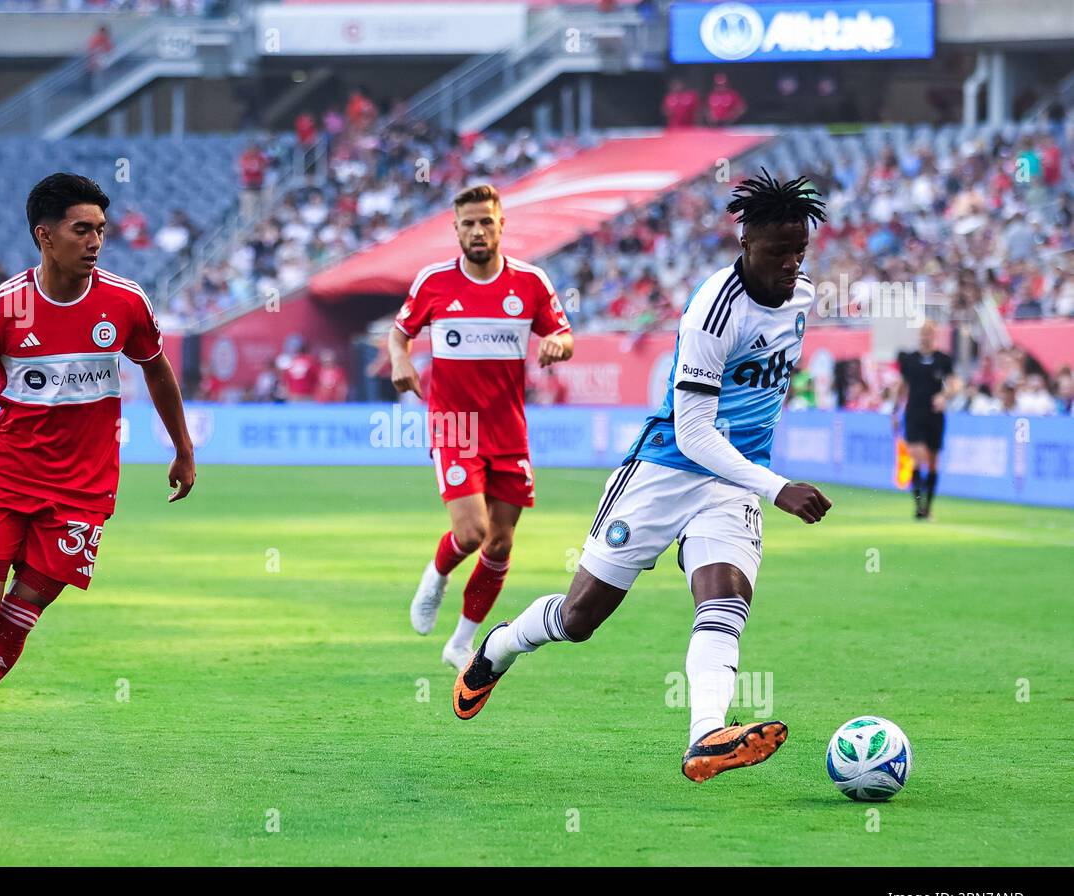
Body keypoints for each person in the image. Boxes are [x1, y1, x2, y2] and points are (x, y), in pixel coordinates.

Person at [452, 171, 833, 787]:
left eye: (799, 251)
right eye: (777, 252)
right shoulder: (713, 311)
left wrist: (757, 478)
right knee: (579, 620)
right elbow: (693, 434)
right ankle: (498, 648)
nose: (791, 264)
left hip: (733, 484)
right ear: (745, 245)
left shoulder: (803, 293)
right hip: (665, 469)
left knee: (725, 596)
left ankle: (705, 735)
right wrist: (777, 485)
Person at [0, 173, 196, 756]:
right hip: (7, 477)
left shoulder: (125, 302)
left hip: (84, 492)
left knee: (19, 618)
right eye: (81, 229)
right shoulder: (2, 309)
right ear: (45, 235)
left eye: (101, 231)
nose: (95, 242)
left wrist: (182, 448)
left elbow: (158, 371)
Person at [389, 183, 574, 671]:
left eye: (485, 221)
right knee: (471, 533)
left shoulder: (530, 283)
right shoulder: (433, 282)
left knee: (501, 542)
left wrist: (558, 344)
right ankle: (437, 573)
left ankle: (460, 642)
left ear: (501, 225)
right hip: (455, 425)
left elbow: (562, 332)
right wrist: (400, 361)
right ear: (455, 229)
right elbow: (399, 332)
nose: (477, 230)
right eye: (468, 223)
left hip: (508, 429)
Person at [894, 321, 957, 519]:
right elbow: (902, 387)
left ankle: (927, 507)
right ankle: (918, 506)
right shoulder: (910, 360)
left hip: (934, 416)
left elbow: (954, 384)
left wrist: (944, 397)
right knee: (917, 457)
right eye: (923, 332)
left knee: (932, 463)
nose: (925, 336)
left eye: (929, 332)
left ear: (935, 335)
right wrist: (895, 411)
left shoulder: (943, 360)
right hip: (914, 413)